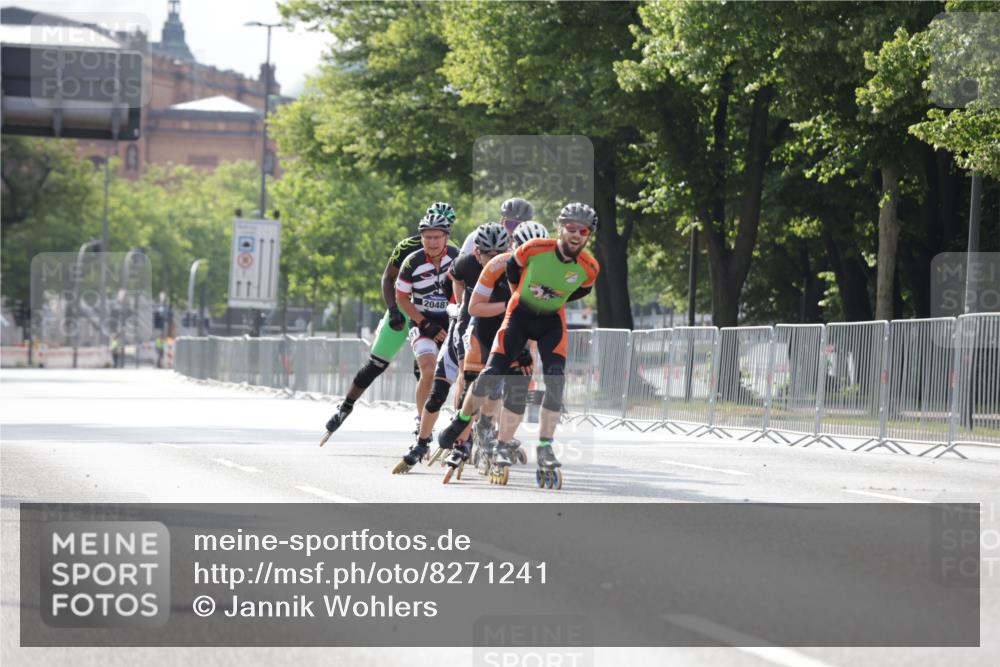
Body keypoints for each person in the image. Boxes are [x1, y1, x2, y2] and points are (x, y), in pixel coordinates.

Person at [437, 203, 600, 489]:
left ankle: (545, 446)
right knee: (489, 377)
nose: (576, 234)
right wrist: (522, 301)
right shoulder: (531, 251)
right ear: (559, 228)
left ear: (588, 235)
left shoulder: (589, 266)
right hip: (517, 317)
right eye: (570, 228)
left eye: (582, 230)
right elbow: (511, 277)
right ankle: (461, 420)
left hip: (550, 322)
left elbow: (580, 290)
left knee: (554, 382)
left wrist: (548, 303)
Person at [319, 202, 457, 445]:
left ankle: (422, 421)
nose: (433, 239)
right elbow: (388, 278)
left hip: (429, 312)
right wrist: (393, 310)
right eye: (428, 234)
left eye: (441, 232)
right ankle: (346, 405)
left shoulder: (453, 253)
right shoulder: (408, 248)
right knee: (377, 362)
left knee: (425, 368)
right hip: (404, 307)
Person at [442, 220, 550, 481]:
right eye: (527, 249)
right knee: (474, 384)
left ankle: (497, 438)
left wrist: (529, 348)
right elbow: (474, 308)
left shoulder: (546, 271)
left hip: (515, 333)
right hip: (482, 328)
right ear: (514, 247)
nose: (532, 255)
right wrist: (511, 305)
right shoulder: (495, 264)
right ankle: (462, 442)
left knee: (516, 387)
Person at [422, 222, 511, 466]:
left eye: (499, 254)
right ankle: (463, 439)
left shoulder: (514, 266)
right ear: (476, 252)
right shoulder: (465, 263)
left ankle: (486, 431)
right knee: (468, 376)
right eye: (488, 255)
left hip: (503, 322)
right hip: (473, 319)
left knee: (496, 382)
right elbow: (455, 280)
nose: (494, 259)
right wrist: (461, 301)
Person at [390, 213, 461, 473]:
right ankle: (423, 427)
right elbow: (402, 298)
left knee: (462, 375)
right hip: (422, 322)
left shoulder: (457, 257)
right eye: (427, 237)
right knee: (429, 370)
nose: (431, 242)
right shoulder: (413, 261)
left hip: (452, 321)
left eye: (436, 237)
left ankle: (459, 429)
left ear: (446, 237)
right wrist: (424, 323)